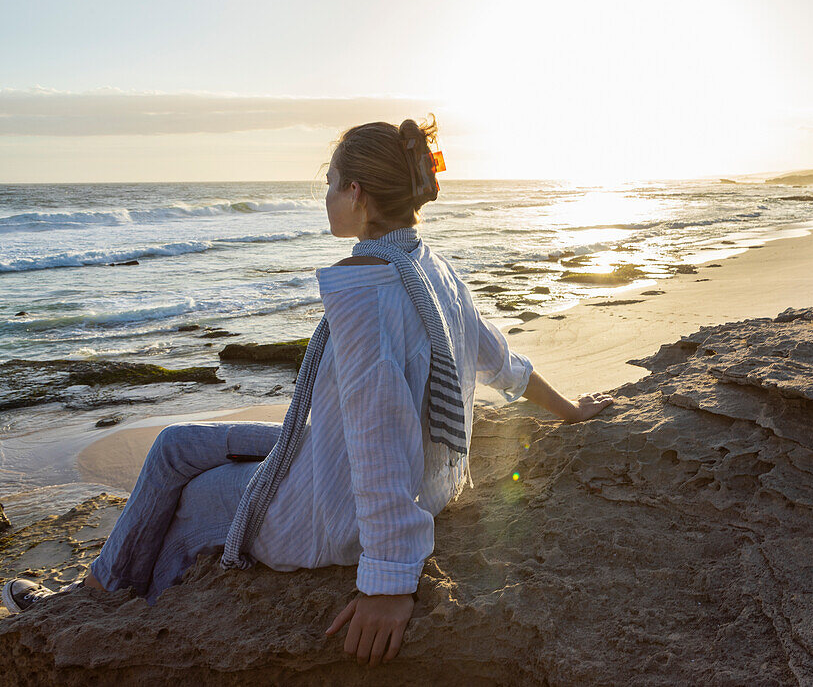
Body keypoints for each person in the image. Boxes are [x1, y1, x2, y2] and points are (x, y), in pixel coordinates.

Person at [1, 115, 614, 668]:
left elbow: (377, 435)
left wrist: (388, 583)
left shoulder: (363, 292)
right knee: (173, 446)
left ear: (357, 194)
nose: (323, 197)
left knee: (190, 506)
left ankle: (102, 616)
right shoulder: (435, 270)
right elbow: (501, 363)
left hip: (340, 508)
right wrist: (571, 410)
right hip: (408, 473)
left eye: (330, 182)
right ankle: (99, 588)